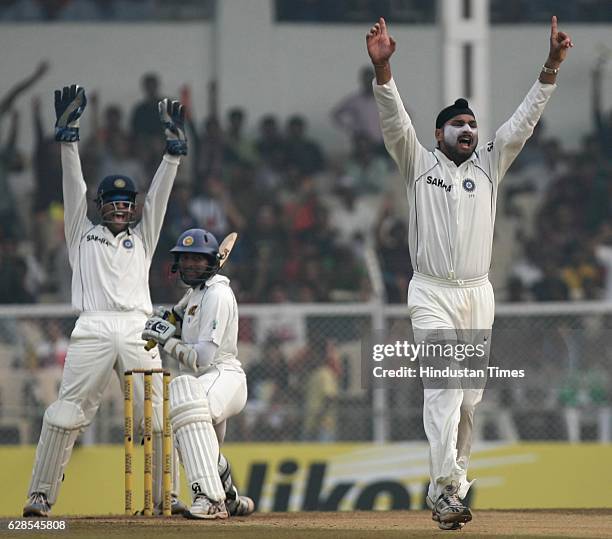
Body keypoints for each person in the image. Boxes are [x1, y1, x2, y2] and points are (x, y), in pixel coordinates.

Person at [366, 15, 572, 530]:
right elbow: (395, 121)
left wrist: (550, 66)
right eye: (458, 124)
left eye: (473, 124)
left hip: (478, 295)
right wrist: (384, 69)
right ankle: (441, 491)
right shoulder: (417, 162)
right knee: (445, 388)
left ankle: (453, 486)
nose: (468, 129)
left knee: (468, 403)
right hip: (431, 292)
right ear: (440, 133)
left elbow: (524, 120)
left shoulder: (489, 165)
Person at [23, 84, 188, 517]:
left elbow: (160, 198)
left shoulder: (144, 236)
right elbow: (71, 185)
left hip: (138, 326)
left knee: (153, 418)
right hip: (93, 326)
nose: (119, 208)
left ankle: (164, 498)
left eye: (125, 203)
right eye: (112, 202)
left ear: (132, 208)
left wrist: (173, 153)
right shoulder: (81, 232)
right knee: (63, 413)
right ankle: (40, 496)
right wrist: (68, 136)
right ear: (100, 205)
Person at [142, 228, 254, 519]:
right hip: (201, 382)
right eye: (186, 258)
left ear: (211, 262)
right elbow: (177, 318)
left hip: (223, 376)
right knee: (192, 442)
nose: (191, 264)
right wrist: (165, 321)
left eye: (198, 259)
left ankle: (211, 501)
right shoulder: (195, 294)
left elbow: (203, 358)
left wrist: (167, 340)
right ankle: (228, 494)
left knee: (184, 407)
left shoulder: (218, 294)